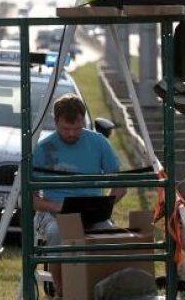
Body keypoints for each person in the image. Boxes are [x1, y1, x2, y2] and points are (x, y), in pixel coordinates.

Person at [32, 94, 127, 299]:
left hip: (92, 214)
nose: (72, 134)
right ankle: (62, 291)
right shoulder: (43, 148)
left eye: (77, 128)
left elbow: (121, 186)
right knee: (58, 233)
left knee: (111, 236)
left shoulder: (98, 142)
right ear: (55, 121)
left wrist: (104, 205)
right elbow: (31, 198)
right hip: (55, 213)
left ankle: (100, 290)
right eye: (66, 129)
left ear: (83, 120)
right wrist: (55, 206)